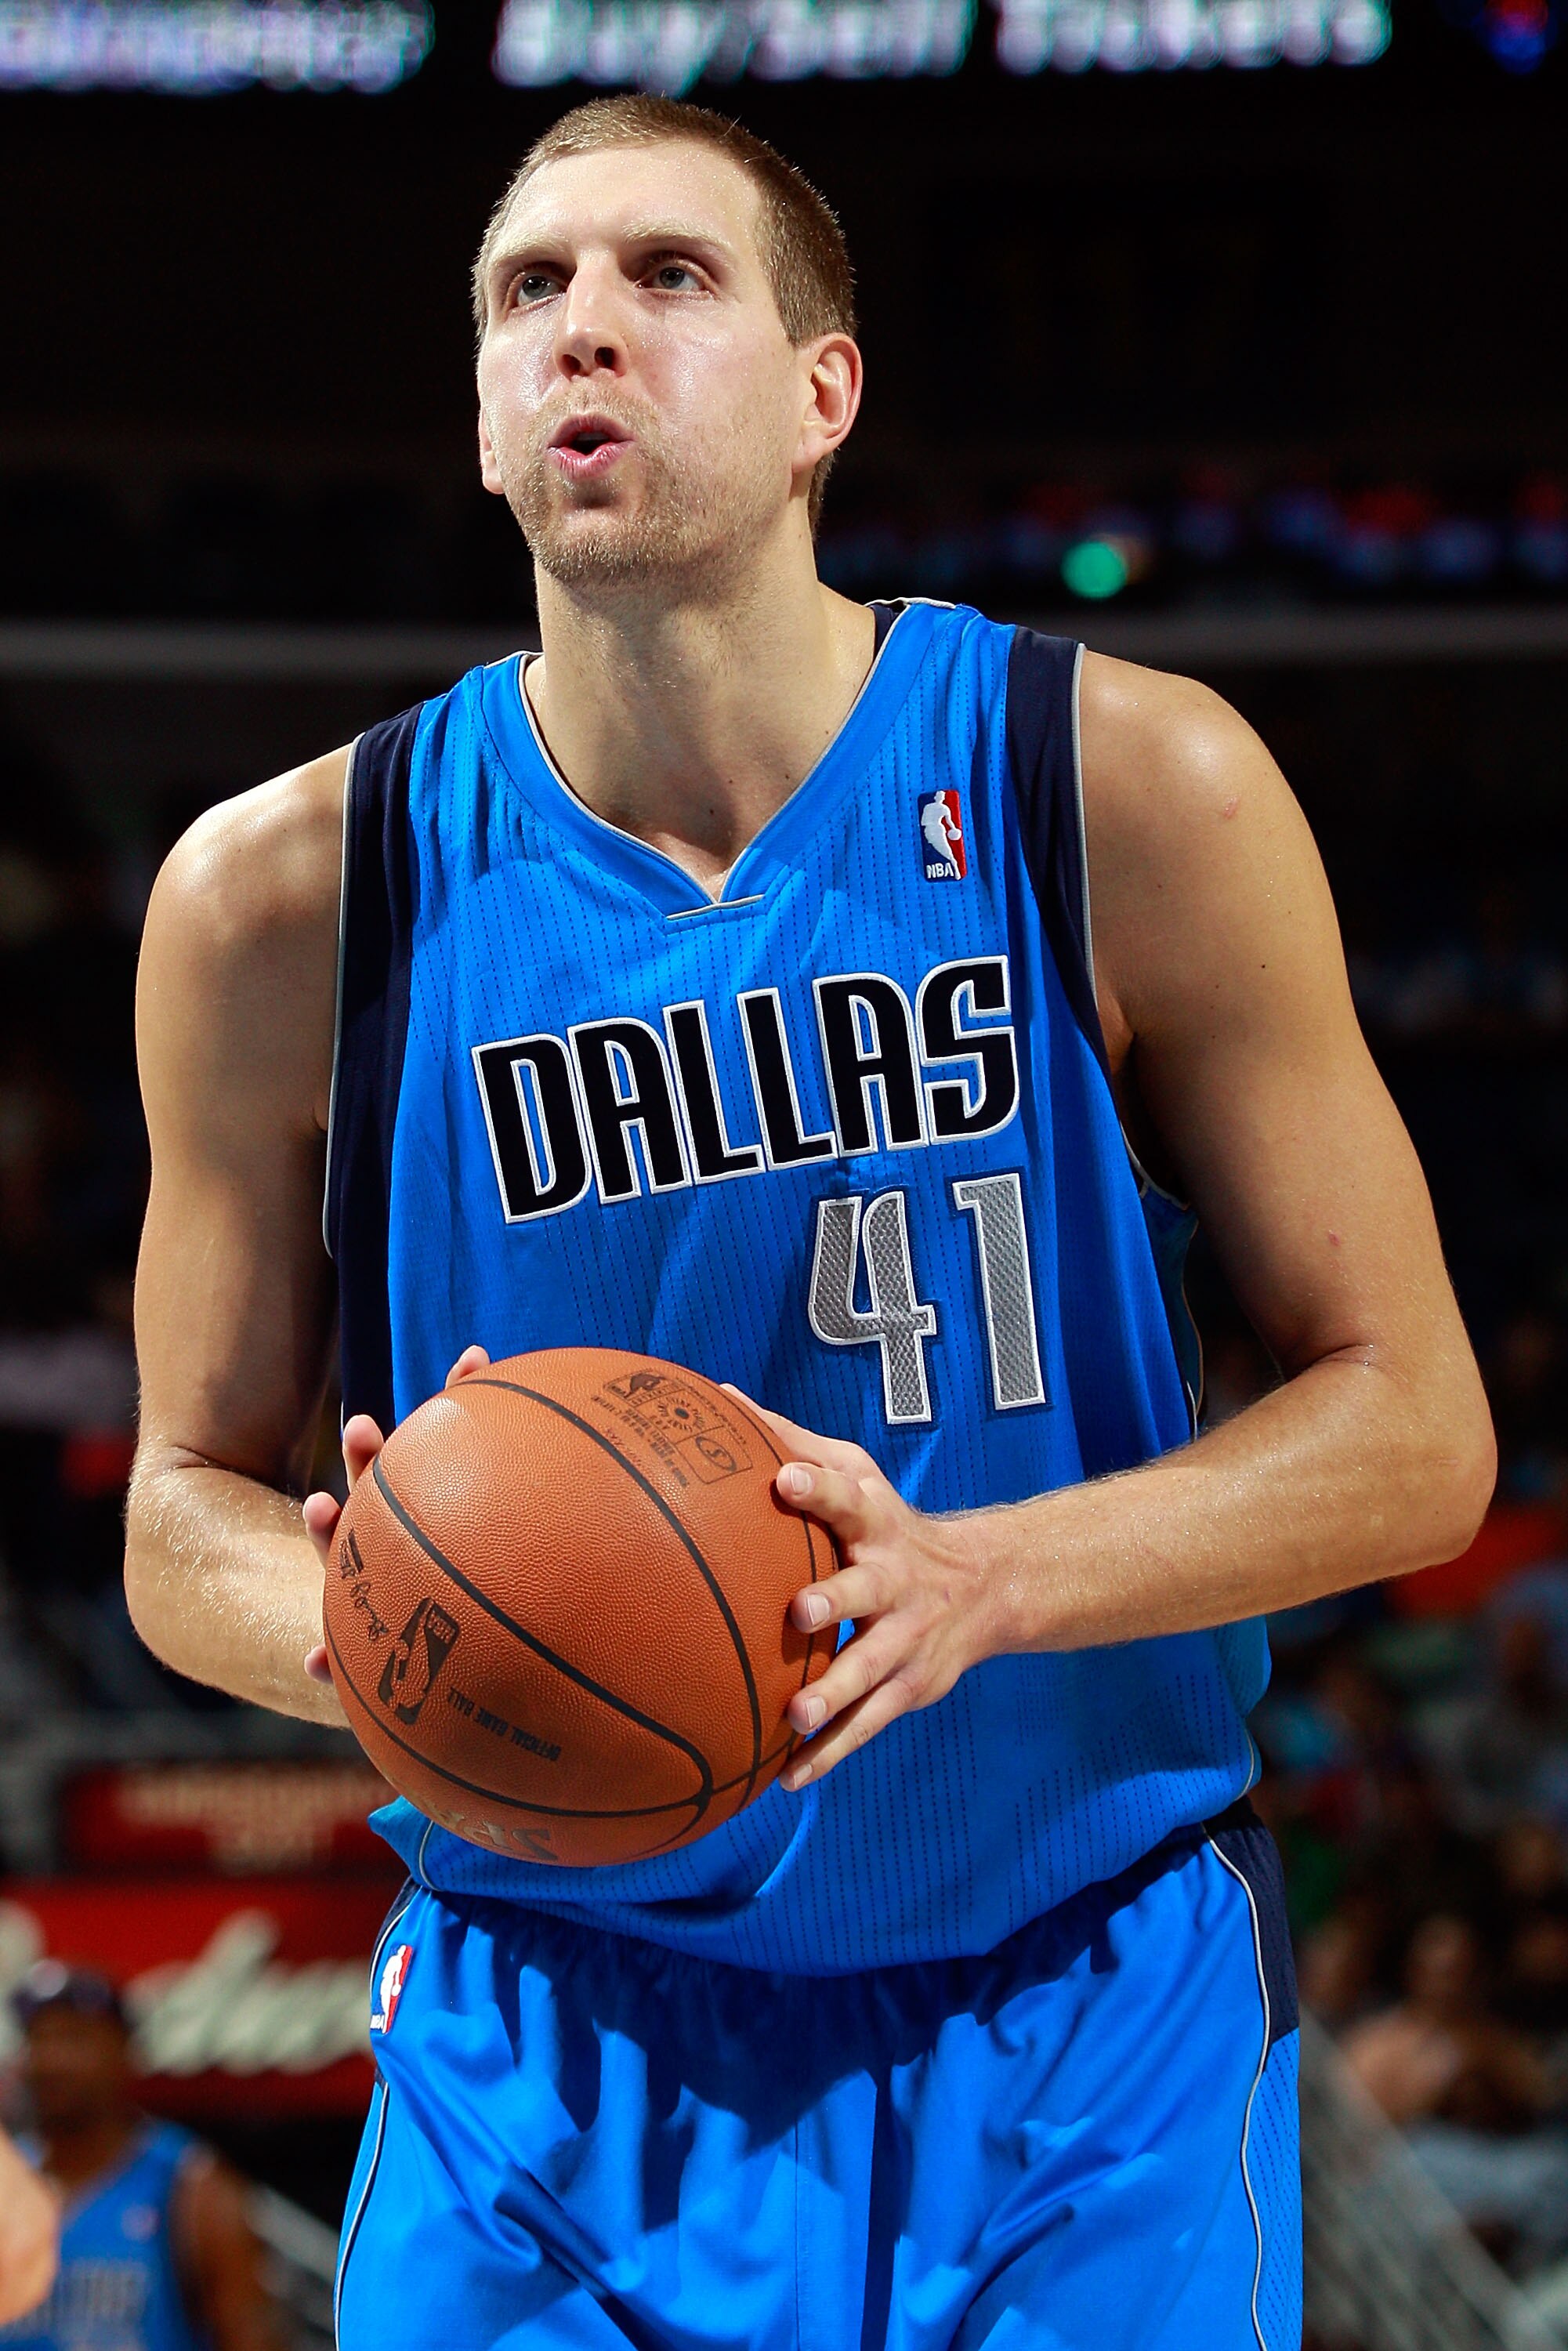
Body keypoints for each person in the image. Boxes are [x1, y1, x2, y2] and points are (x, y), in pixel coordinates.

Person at [125, 95, 1495, 2351]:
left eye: (668, 276)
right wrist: (394, 1626)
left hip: (1078, 2007)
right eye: (527, 291)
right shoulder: (281, 898)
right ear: (481, 419)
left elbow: (1417, 1429)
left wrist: (982, 1577)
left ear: (819, 396)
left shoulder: (1115, 782)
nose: (584, 329)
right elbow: (181, 1510)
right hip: (549, 2032)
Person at [0, 1965, 282, 2351]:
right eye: (38, 2038)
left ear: (125, 2052)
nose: (51, 2060)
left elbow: (251, 2336)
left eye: (74, 2038)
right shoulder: (9, 2179)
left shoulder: (190, 2187)